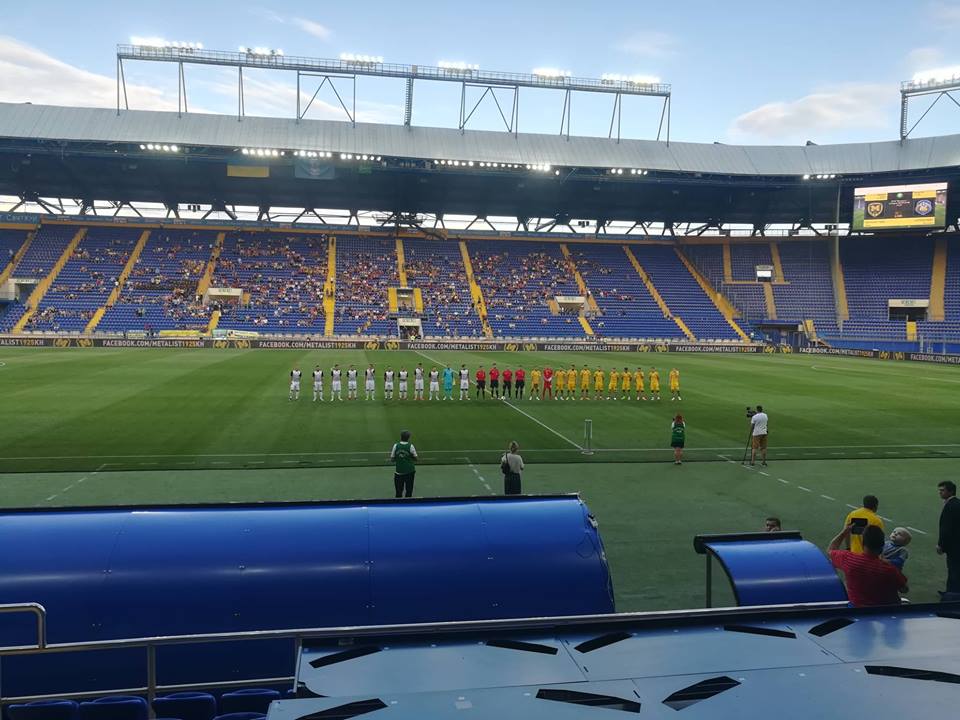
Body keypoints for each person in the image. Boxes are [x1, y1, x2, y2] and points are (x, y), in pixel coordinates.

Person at [828, 524, 908, 607]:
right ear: (882, 547)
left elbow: (831, 550)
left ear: (863, 544)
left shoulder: (848, 559)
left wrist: (844, 532)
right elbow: (904, 589)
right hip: (886, 612)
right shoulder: (890, 570)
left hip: (856, 610)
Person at [937, 480, 960, 596]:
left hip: (954, 546)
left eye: (942, 490)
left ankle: (952, 593)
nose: (940, 492)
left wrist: (941, 545)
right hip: (956, 543)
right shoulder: (957, 503)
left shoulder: (950, 506)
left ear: (950, 492)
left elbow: (946, 528)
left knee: (953, 569)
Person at [390, 430, 418, 498]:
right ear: (408, 438)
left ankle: (399, 504)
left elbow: (392, 459)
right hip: (410, 472)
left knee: (398, 492)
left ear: (401, 437)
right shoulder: (411, 446)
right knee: (409, 491)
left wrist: (399, 458)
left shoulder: (396, 446)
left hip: (399, 472)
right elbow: (416, 459)